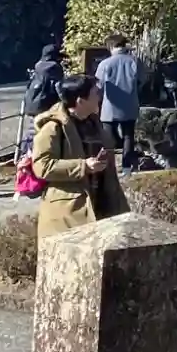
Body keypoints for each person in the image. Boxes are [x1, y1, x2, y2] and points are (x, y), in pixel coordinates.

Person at [29, 76, 129, 243]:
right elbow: (42, 166)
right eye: (95, 93)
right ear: (80, 101)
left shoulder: (94, 123)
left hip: (100, 204)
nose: (99, 97)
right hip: (68, 213)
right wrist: (84, 166)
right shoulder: (53, 127)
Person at [95, 36, 144, 171]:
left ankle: (108, 167)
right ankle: (127, 167)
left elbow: (98, 86)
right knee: (128, 136)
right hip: (130, 105)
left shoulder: (105, 64)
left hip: (110, 106)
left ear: (111, 47)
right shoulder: (135, 61)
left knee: (107, 138)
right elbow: (142, 81)